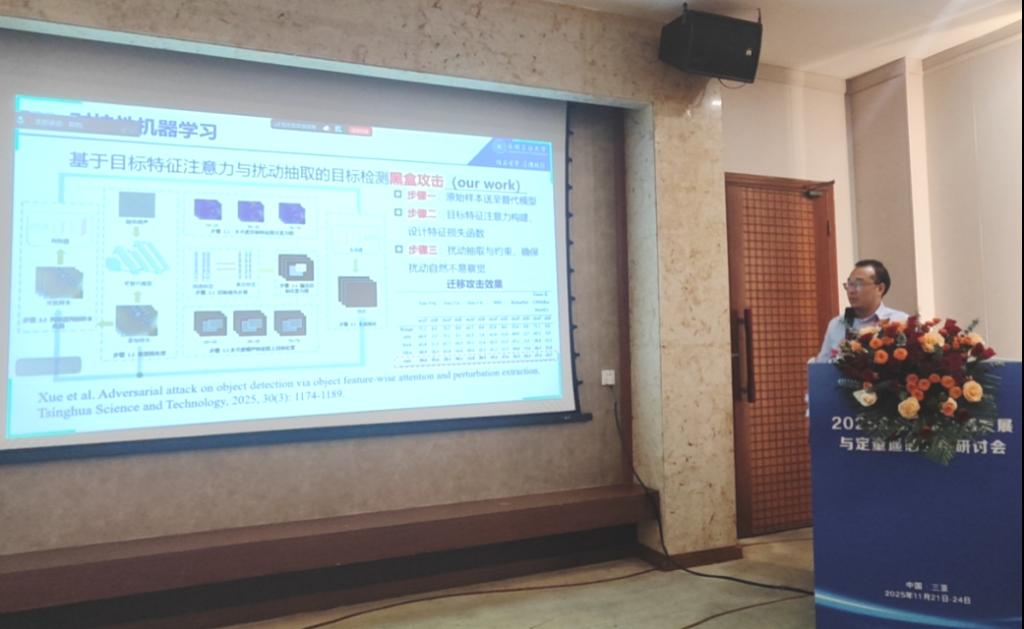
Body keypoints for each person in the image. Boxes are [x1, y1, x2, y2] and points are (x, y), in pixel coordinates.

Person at [814, 259, 909, 363]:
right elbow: (821, 366)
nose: (851, 291)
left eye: (859, 284)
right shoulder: (836, 324)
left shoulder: (899, 321)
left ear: (880, 288)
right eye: (850, 284)